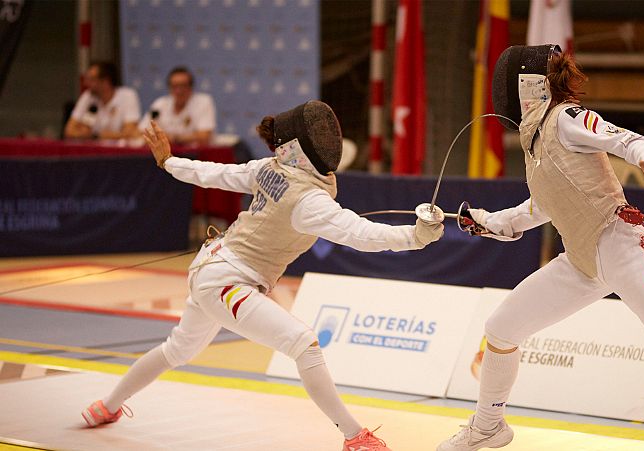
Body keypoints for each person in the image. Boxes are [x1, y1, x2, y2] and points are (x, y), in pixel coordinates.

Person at [437, 45, 644, 451]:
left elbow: (624, 139)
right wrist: (483, 220)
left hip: (624, 249)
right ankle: (489, 427)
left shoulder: (564, 118)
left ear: (527, 85)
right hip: (582, 263)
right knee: (501, 328)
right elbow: (542, 206)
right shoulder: (536, 143)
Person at [81, 100, 444, 451]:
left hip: (213, 267)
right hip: (226, 281)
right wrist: (413, 236)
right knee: (304, 344)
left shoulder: (269, 169)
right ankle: (355, 437)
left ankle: (107, 405)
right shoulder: (308, 200)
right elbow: (362, 234)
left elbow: (214, 174)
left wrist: (169, 162)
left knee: (177, 349)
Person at [139, 66, 216, 146]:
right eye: (174, 86)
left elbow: (204, 136)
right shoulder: (160, 104)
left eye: (183, 86)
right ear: (169, 88)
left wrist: (174, 138)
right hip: (166, 155)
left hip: (195, 155)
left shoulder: (203, 102)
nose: (179, 91)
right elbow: (143, 131)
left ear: (191, 87)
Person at [64, 61, 141, 140]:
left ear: (105, 81)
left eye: (92, 79)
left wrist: (95, 136)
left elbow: (130, 133)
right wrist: (97, 136)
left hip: (119, 151)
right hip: (93, 150)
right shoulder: (88, 96)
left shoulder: (127, 95)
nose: (86, 83)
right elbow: (69, 131)